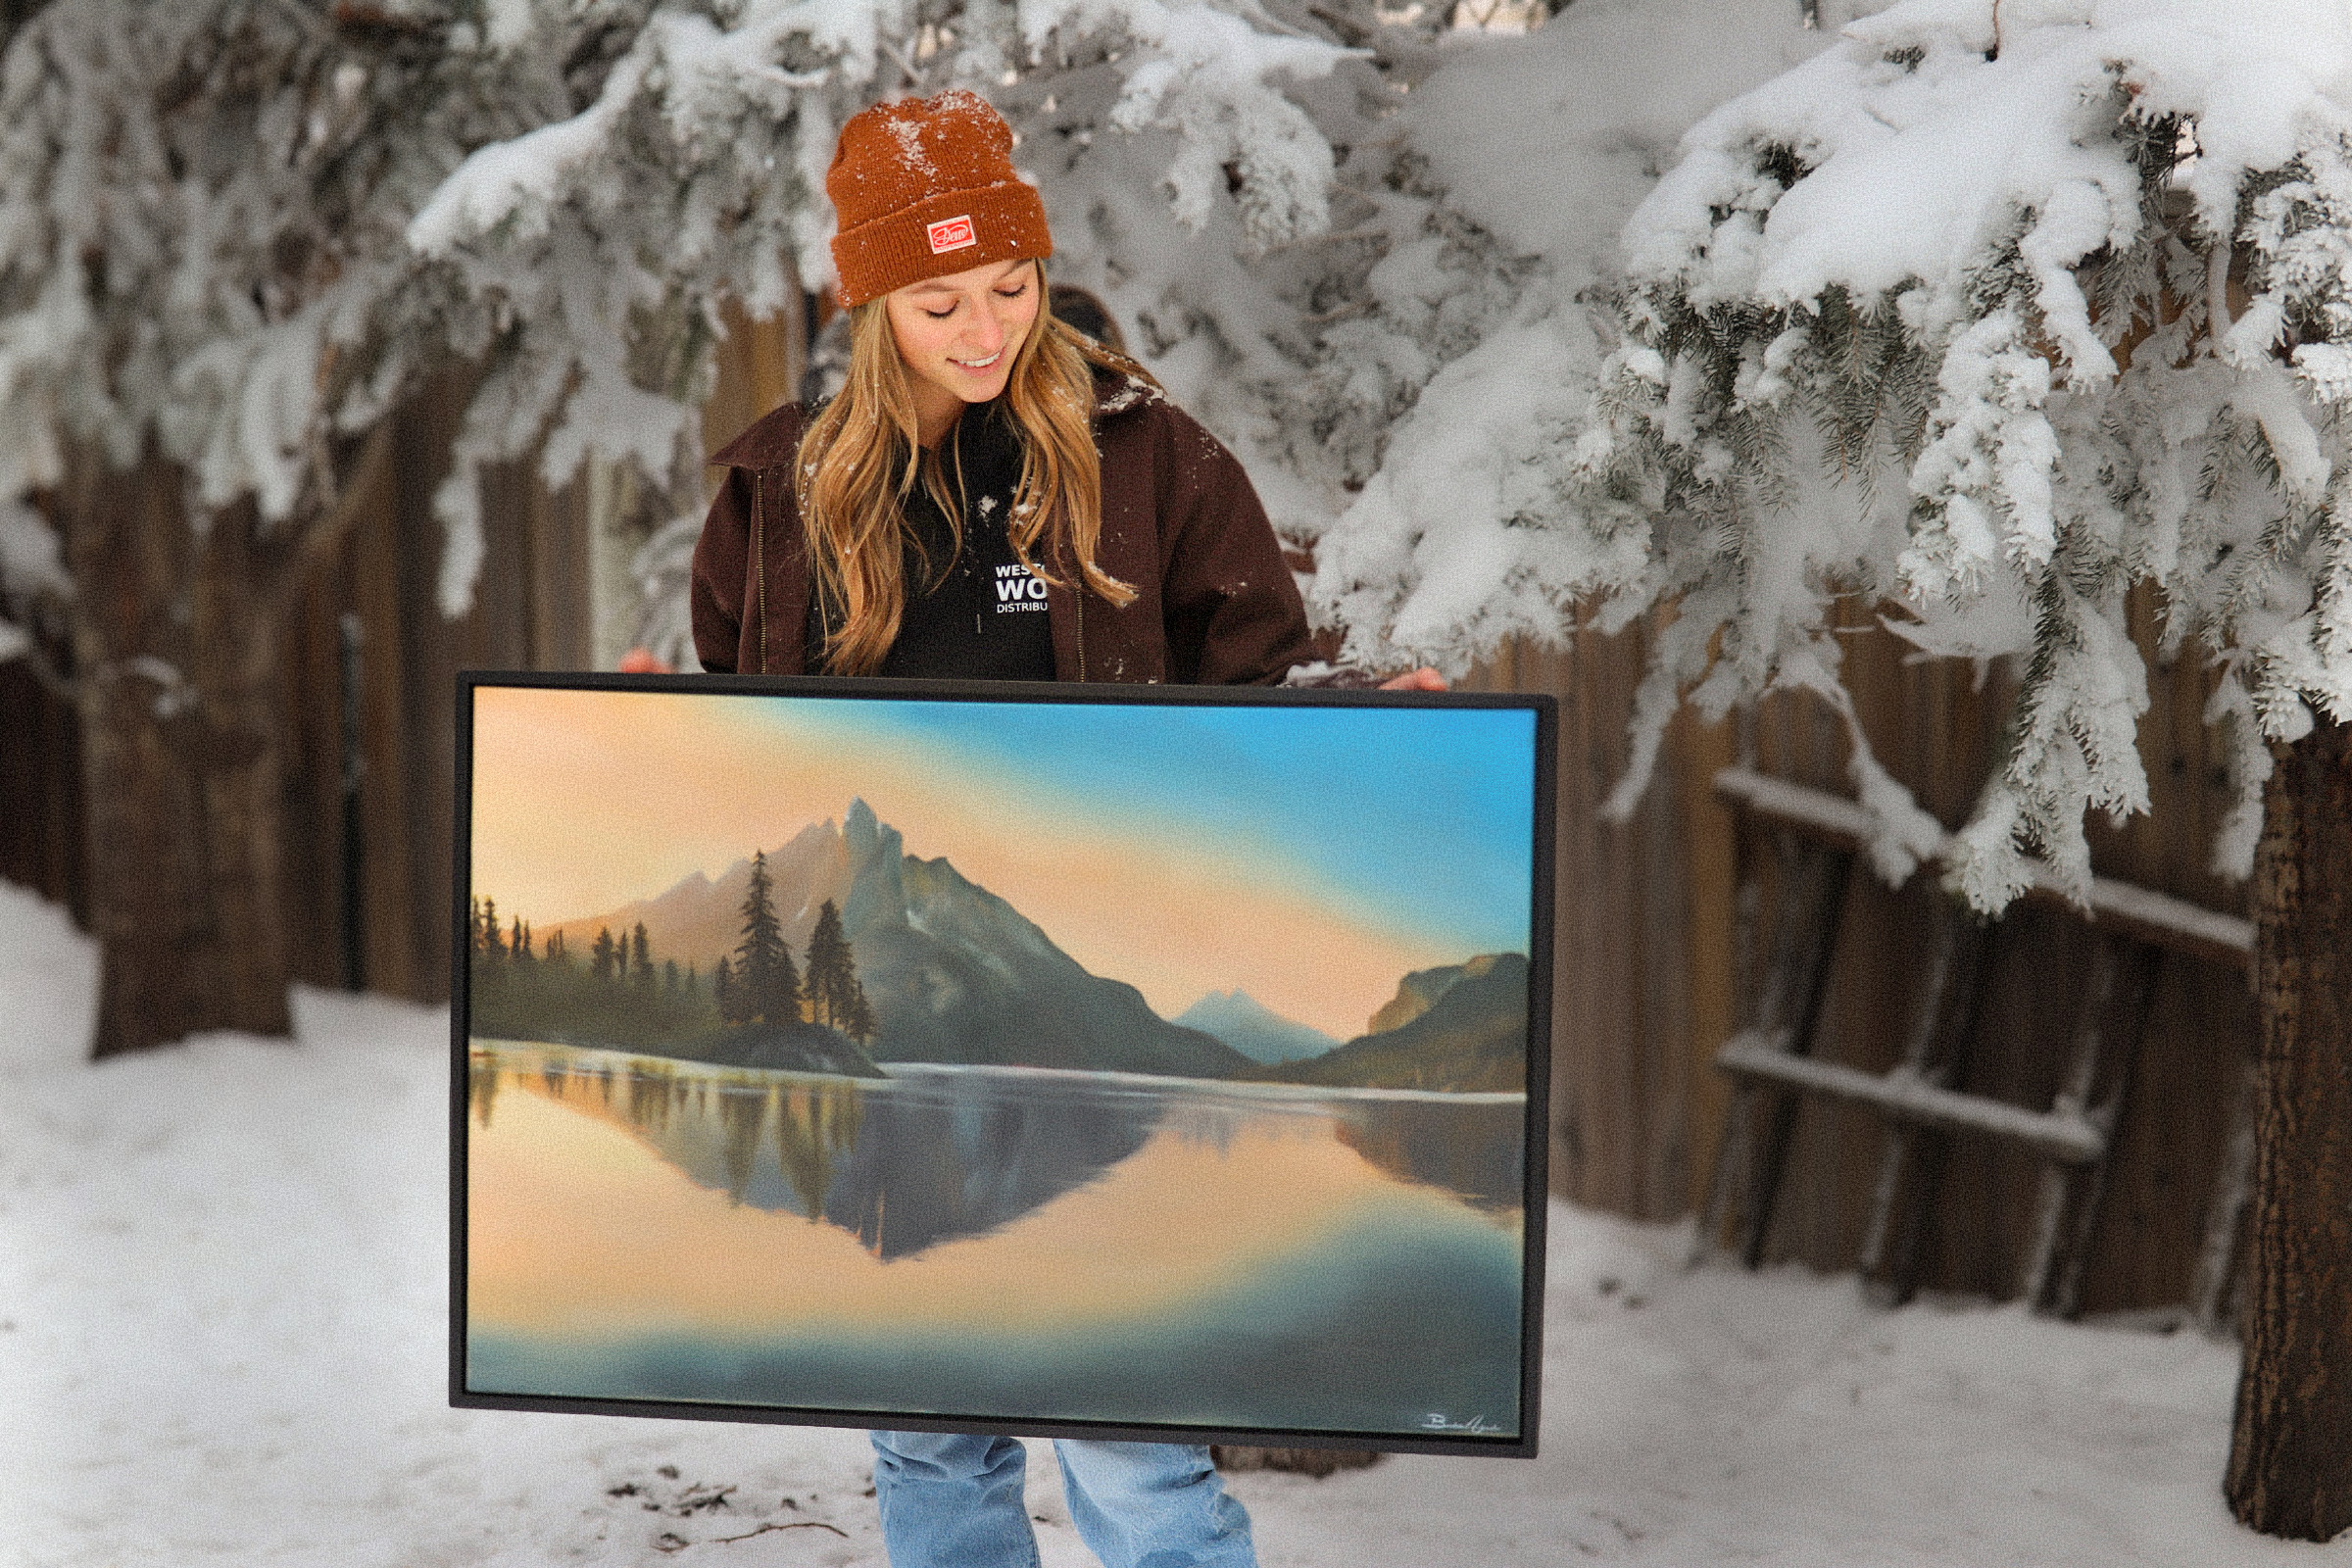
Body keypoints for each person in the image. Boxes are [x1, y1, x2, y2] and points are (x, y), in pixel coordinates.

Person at [690, 88, 1431, 1568]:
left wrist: (1370, 717)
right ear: (874, 305)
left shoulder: (1145, 458)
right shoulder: (784, 481)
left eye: (1011, 290)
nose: (985, 331)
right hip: (883, 1012)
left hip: (1096, 996)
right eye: (941, 301)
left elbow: (1255, 676)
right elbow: (739, 727)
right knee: (931, 1417)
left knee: (1128, 1414)